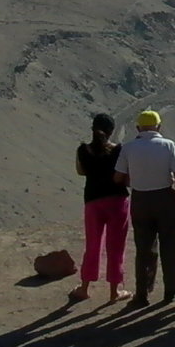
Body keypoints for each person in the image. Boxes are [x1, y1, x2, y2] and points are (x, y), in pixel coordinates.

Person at [114, 110, 175, 308]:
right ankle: (172, 290)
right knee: (172, 245)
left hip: (140, 200)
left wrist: (135, 180)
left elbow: (117, 177)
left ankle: (142, 292)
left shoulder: (128, 148)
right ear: (159, 127)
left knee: (144, 248)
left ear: (138, 128)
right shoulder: (168, 145)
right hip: (165, 197)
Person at [71, 113, 129, 303]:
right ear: (112, 131)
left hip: (93, 202)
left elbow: (81, 171)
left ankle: (84, 288)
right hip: (117, 202)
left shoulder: (83, 150)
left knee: (93, 245)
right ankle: (114, 292)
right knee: (116, 247)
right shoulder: (119, 150)